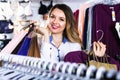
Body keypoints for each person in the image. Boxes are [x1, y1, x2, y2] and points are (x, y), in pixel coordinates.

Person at [35, 4, 106, 62]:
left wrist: (96, 57)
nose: (55, 22)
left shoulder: (75, 45)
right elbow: (43, 66)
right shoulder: (39, 42)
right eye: (52, 17)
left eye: (61, 19)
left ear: (67, 23)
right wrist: (46, 35)